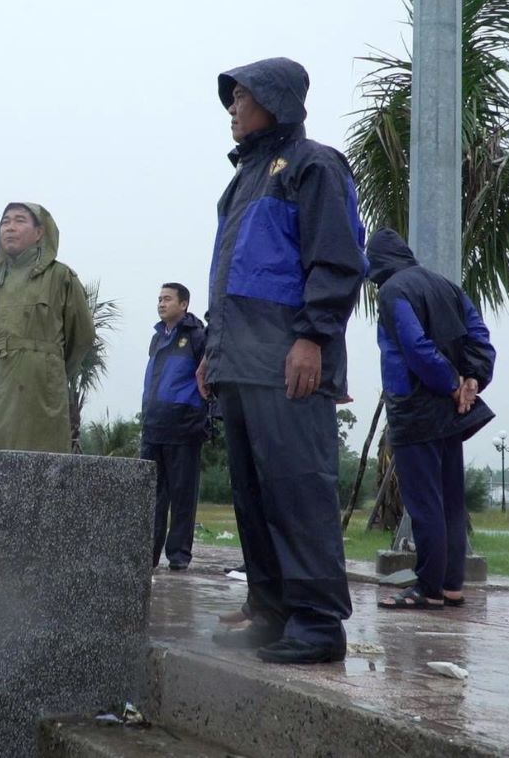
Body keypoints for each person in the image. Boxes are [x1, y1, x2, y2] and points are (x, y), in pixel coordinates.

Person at [200, 57, 367, 664]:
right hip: (240, 363)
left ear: (276, 100)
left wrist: (313, 338)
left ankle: (319, 623)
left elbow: (337, 261)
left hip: (289, 360)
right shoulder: (244, 178)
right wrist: (211, 353)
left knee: (299, 493)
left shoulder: (313, 165)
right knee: (253, 497)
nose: (233, 109)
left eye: (242, 97)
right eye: (232, 99)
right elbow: (231, 279)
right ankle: (270, 614)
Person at [366, 228, 496, 610]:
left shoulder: (393, 290)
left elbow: (415, 346)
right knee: (451, 500)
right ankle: (451, 584)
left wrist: (451, 382)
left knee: (424, 503)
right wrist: (471, 379)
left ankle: (428, 588)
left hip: (415, 408)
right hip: (449, 411)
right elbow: (479, 335)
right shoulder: (447, 287)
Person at [0, 202, 95, 453]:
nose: (10, 228)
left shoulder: (60, 277)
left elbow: (82, 335)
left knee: (41, 464)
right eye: (5, 222)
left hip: (41, 388)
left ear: (39, 233)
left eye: (19, 220)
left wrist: (49, 367)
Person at [141, 282, 208, 571]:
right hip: (154, 424)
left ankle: (179, 556)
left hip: (184, 425)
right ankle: (148, 553)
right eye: (159, 299)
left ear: (183, 304)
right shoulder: (157, 338)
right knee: (152, 493)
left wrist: (203, 418)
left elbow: (208, 381)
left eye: (167, 299)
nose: (161, 303)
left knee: (182, 494)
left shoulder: (197, 336)